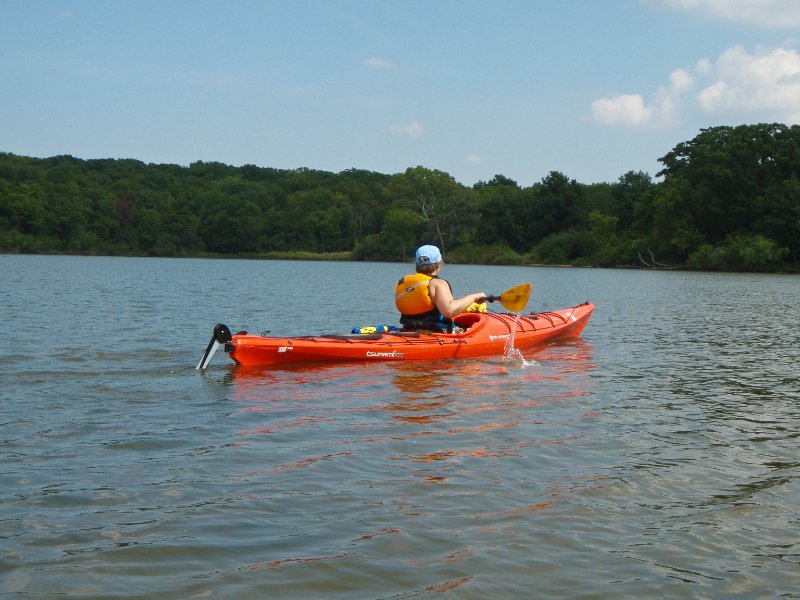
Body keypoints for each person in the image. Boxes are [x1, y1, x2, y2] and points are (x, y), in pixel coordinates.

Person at [395, 244, 487, 332]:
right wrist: (474, 297)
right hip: (437, 332)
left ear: (417, 264)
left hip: (409, 329)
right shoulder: (437, 283)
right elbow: (449, 311)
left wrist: (469, 304)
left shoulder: (402, 283)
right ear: (439, 263)